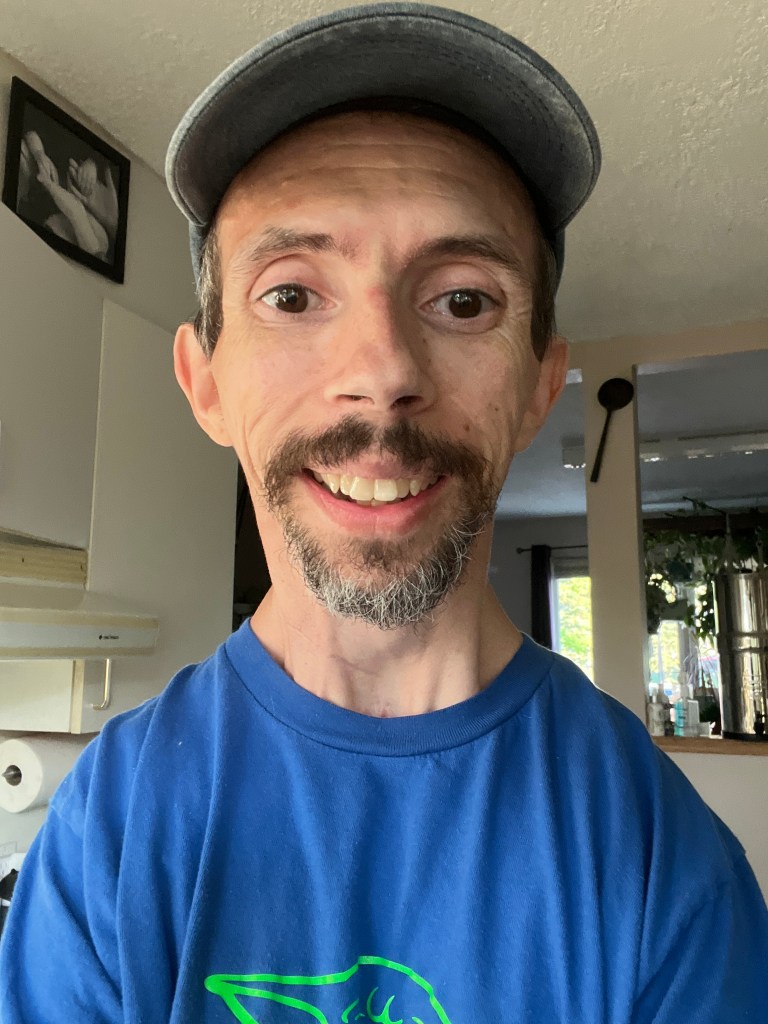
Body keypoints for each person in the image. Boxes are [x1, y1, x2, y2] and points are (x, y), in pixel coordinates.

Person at [1, 5, 766, 1022]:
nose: (384, 372)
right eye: (291, 295)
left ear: (540, 388)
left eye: (462, 300)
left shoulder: (661, 858)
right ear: (205, 382)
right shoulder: (110, 824)